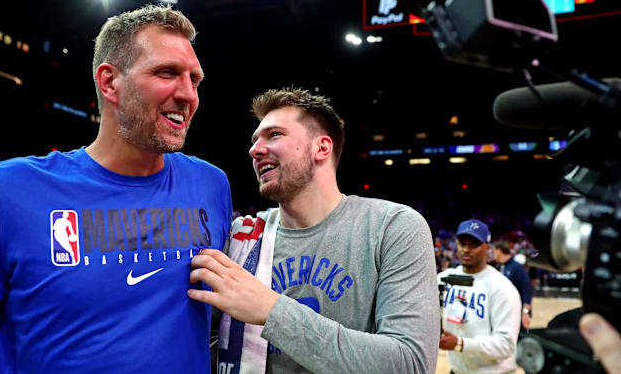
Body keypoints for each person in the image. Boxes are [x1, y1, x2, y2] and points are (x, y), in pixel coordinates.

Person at [0, 4, 232, 373]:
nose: (188, 94)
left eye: (194, 80)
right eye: (167, 73)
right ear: (109, 81)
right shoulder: (2, 193)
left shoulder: (211, 185)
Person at [188, 88, 439, 373]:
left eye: (274, 135)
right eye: (254, 140)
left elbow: (411, 364)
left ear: (322, 148)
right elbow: (210, 343)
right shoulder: (242, 236)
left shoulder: (393, 228)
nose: (254, 150)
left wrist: (272, 311)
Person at [438, 219, 521, 374]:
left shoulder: (501, 287)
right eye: (462, 243)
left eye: (474, 244)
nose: (466, 249)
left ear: (487, 248)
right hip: (457, 370)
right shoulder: (444, 279)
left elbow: (506, 345)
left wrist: (460, 343)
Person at [491, 240, 534, 330]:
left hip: (517, 313)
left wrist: (525, 312)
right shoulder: (501, 266)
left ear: (499, 251)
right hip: (505, 312)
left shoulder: (516, 267)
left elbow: (528, 289)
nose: (492, 254)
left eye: (493, 251)